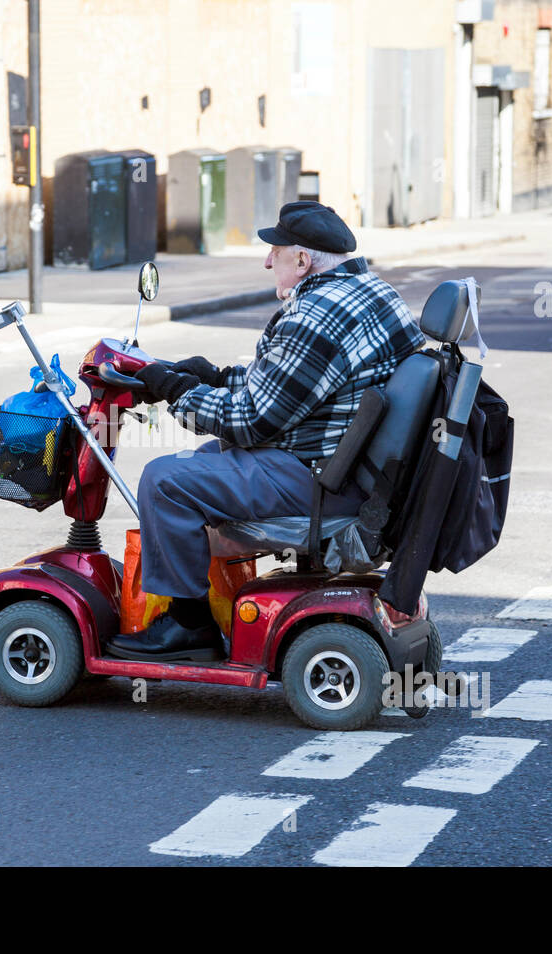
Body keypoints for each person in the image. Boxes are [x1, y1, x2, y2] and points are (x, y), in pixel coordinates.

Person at [106, 201, 426, 661]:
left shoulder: (316, 316)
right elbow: (292, 386)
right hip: (352, 469)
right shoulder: (370, 291)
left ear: (303, 259)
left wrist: (173, 390)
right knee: (206, 459)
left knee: (165, 480)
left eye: (275, 252)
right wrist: (214, 377)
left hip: (322, 480)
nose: (266, 261)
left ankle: (188, 625)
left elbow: (251, 423)